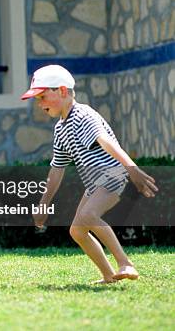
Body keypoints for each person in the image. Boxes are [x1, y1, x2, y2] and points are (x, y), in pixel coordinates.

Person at [22, 65, 158, 284]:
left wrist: (133, 170)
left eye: (43, 97)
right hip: (95, 183)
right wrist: (44, 204)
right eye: (38, 99)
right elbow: (57, 169)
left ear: (63, 91)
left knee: (88, 216)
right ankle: (108, 275)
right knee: (77, 231)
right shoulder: (61, 128)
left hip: (112, 174)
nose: (40, 104)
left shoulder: (83, 115)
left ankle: (126, 264)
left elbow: (105, 141)